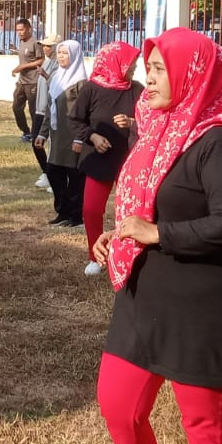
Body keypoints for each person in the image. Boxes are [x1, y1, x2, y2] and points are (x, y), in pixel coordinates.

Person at [92, 28, 222, 444]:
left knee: (202, 424)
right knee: (117, 404)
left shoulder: (219, 140)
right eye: (151, 66)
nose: (150, 76)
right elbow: (142, 205)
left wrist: (158, 233)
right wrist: (119, 233)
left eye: (162, 68)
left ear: (193, 73)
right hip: (145, 293)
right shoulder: (157, 127)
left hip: (202, 300)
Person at [71, 42, 142, 277]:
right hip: (99, 158)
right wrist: (93, 136)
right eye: (130, 63)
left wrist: (132, 123)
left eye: (134, 63)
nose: (133, 67)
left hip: (129, 159)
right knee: (91, 209)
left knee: (128, 211)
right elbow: (76, 120)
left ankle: (126, 253)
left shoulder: (137, 89)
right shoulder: (91, 88)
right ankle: (96, 256)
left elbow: (152, 118)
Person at [37, 39, 87, 228]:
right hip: (57, 136)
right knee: (53, 172)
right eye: (60, 53)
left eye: (66, 53)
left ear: (74, 56)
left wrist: (79, 138)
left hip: (73, 137)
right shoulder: (57, 77)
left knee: (74, 176)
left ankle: (76, 215)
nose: (61, 56)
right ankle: (62, 211)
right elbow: (51, 109)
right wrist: (42, 134)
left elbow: (85, 113)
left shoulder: (81, 82)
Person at [29, 35, 56, 191]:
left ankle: (55, 176)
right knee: (36, 141)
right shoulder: (46, 61)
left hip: (50, 109)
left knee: (52, 144)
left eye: (49, 46)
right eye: (44, 46)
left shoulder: (58, 64)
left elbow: (57, 83)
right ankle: (47, 172)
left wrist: (45, 75)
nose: (46, 48)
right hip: (40, 109)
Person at [10, 17, 42, 140]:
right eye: (17, 30)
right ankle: (26, 131)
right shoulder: (21, 42)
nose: (19, 32)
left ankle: (35, 134)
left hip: (33, 82)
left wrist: (25, 66)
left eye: (21, 30)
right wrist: (17, 68)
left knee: (33, 110)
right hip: (21, 81)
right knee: (16, 107)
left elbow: (41, 60)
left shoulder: (35, 43)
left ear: (29, 29)